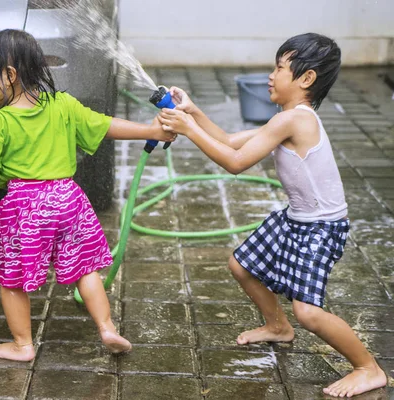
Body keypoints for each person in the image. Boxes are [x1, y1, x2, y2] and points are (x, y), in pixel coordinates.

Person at [0, 29, 175, 362]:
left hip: (24, 207)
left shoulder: (1, 122)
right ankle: (108, 327)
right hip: (69, 199)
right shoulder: (62, 104)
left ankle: (23, 345)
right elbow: (105, 125)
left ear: (9, 76)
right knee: (85, 269)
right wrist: (152, 130)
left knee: (12, 279)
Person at [157, 33, 387, 397]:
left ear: (306, 78)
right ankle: (278, 327)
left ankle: (368, 367)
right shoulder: (287, 119)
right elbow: (231, 140)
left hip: (320, 228)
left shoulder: (295, 120)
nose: (270, 75)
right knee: (241, 266)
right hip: (297, 218)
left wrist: (187, 130)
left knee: (309, 312)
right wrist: (194, 112)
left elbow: (234, 163)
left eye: (279, 68)